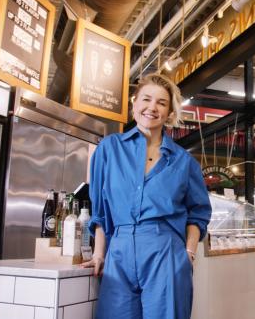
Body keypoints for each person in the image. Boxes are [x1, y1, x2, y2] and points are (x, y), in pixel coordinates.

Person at [81, 73, 212, 319]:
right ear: (134, 103)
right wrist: (99, 254)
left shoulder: (184, 162)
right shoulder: (109, 148)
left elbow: (199, 213)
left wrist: (189, 253)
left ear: (170, 113)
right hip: (118, 253)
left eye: (161, 103)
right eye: (146, 99)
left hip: (165, 251)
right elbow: (99, 210)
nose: (152, 108)